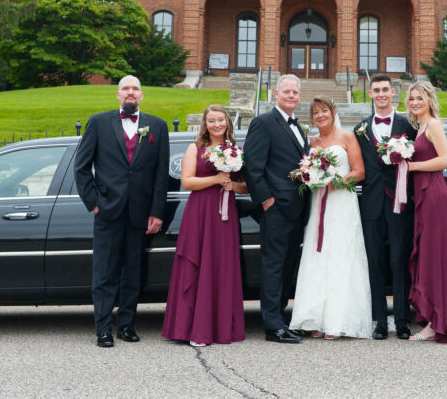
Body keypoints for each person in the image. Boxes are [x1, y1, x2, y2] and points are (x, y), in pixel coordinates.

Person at [73, 75, 170, 348]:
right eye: (126, 89)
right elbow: (81, 167)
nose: (130, 93)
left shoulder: (158, 127)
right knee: (104, 272)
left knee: (133, 272)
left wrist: (157, 212)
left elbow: (161, 174)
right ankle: (103, 328)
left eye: (135, 89)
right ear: (118, 95)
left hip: (140, 214)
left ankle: (126, 325)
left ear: (142, 95)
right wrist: (94, 203)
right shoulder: (99, 123)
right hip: (107, 211)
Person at [162, 105, 247, 347]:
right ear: (205, 124)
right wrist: (216, 179)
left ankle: (221, 328)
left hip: (225, 214)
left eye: (221, 120)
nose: (217, 124)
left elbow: (245, 186)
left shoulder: (235, 150)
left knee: (221, 265)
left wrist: (234, 186)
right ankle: (193, 329)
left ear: (227, 122)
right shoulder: (195, 148)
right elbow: (187, 181)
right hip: (200, 212)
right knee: (198, 263)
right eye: (212, 120)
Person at [290, 97, 372, 339]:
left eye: (324, 110)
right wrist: (313, 179)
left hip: (342, 202)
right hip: (318, 204)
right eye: (315, 112)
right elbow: (306, 171)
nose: (320, 116)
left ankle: (339, 320)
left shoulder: (347, 137)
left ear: (334, 112)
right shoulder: (311, 142)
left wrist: (334, 182)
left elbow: (359, 172)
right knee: (318, 256)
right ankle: (316, 318)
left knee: (340, 255)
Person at [242, 74, 309, 344]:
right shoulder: (263, 123)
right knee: (273, 265)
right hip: (276, 209)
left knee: (288, 265)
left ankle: (280, 318)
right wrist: (266, 200)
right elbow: (252, 167)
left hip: (298, 209)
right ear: (276, 94)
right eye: (287, 92)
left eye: (295, 92)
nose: (291, 96)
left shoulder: (298, 127)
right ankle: (272, 325)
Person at [354, 73, 418, 340]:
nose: (381, 94)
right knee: (375, 262)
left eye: (385, 90)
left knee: (399, 261)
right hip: (370, 205)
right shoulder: (359, 129)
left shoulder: (407, 125)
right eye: (376, 90)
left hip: (399, 204)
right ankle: (380, 320)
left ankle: (402, 320)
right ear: (370, 94)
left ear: (393, 93)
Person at [405, 81, 447, 344]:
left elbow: (446, 160)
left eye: (420, 98)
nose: (415, 102)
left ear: (430, 100)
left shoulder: (434, 125)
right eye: (411, 99)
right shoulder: (419, 128)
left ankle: (438, 322)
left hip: (434, 196)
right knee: (429, 257)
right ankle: (433, 317)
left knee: (434, 258)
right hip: (423, 196)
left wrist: (412, 167)